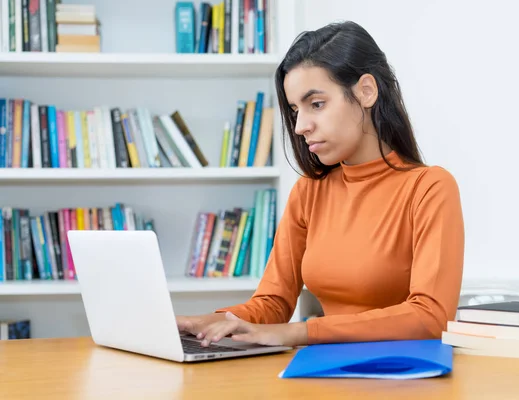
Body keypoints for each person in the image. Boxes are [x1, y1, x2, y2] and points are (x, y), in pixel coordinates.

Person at [176, 20, 465, 348]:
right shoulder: (309, 191)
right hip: (323, 371)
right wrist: (203, 323)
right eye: (296, 109)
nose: (300, 126)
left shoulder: (429, 187)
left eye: (316, 104)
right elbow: (273, 303)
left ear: (366, 91)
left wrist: (302, 331)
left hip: (402, 377)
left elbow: (431, 315)